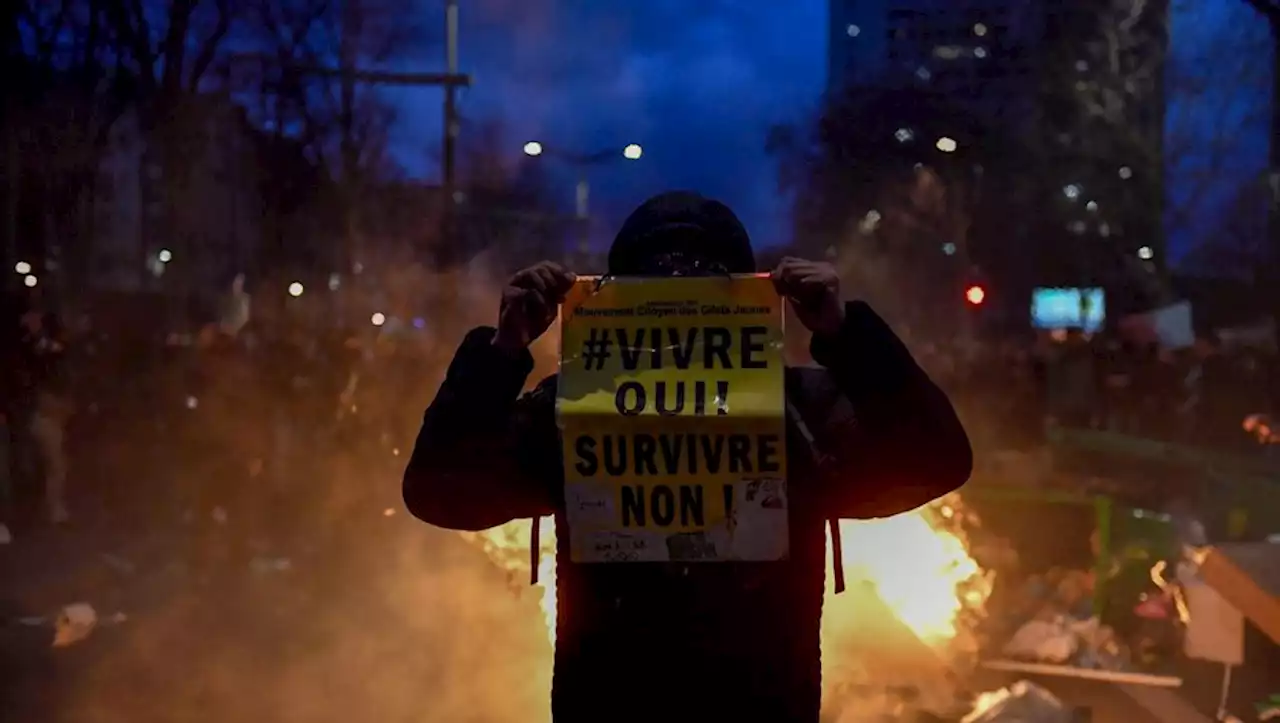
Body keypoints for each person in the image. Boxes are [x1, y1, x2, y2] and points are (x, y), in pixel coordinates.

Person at [403, 191, 972, 723]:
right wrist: (502, 350)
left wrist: (848, 334)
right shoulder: (577, 413)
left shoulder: (792, 412)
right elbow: (440, 489)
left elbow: (936, 458)